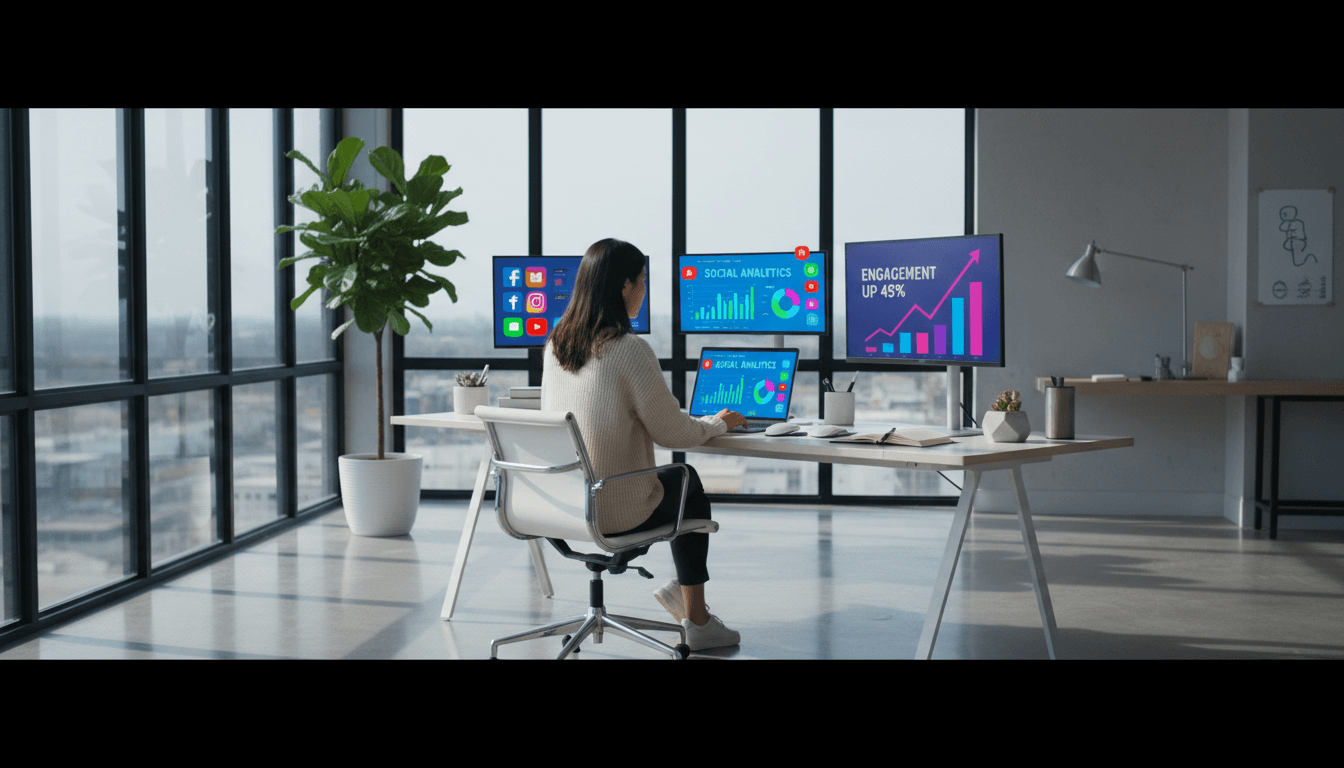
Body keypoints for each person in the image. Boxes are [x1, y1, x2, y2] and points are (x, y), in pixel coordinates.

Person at [542, 237, 745, 652]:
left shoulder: (556, 345)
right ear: (624, 287)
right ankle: (699, 620)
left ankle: (687, 601)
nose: (644, 290)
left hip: (560, 504)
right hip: (613, 509)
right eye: (643, 281)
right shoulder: (629, 349)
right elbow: (672, 432)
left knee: (677, 483)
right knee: (685, 481)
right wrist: (716, 423)